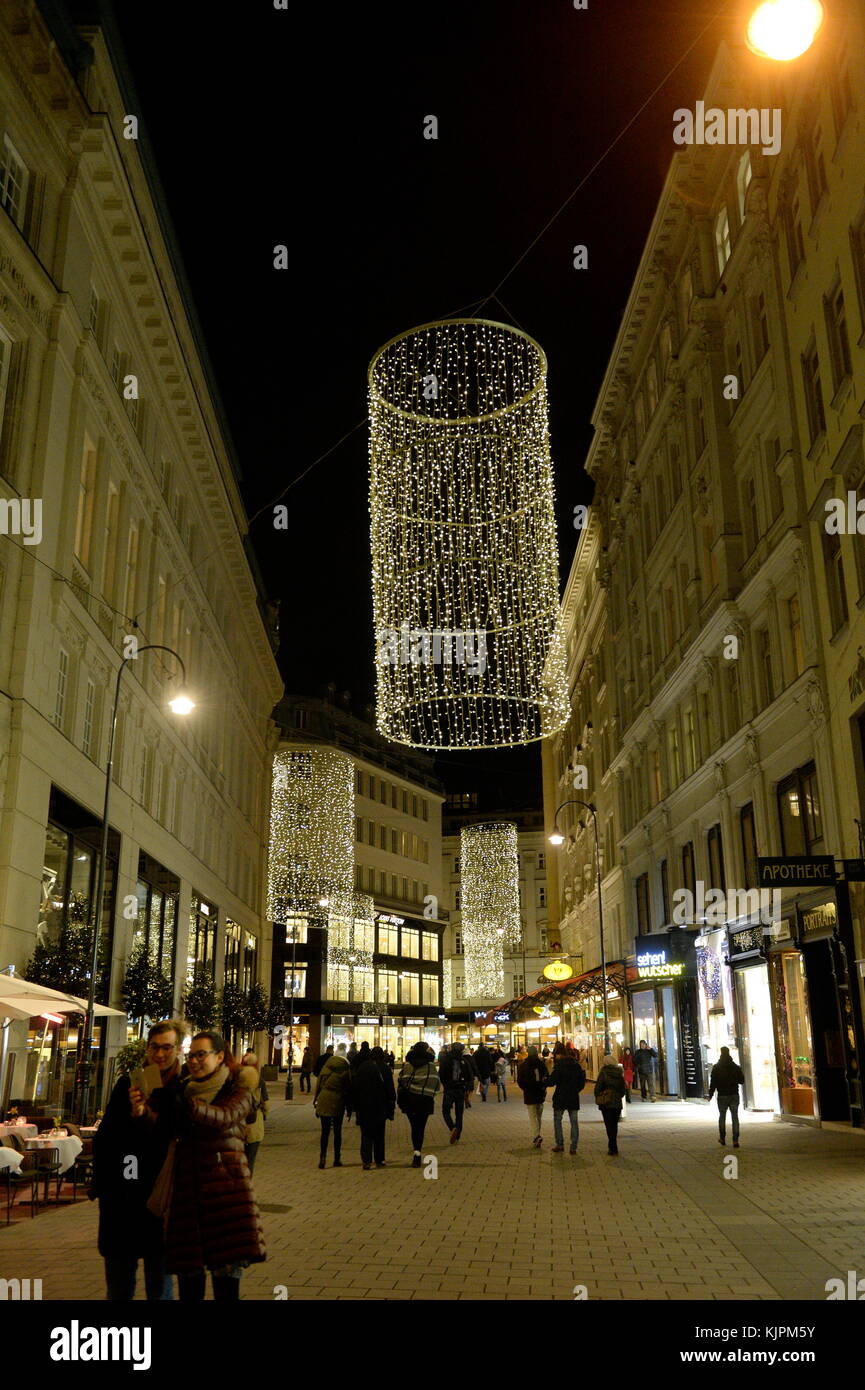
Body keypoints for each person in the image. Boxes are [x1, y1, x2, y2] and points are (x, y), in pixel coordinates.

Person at [143, 1029, 265, 1301]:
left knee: (226, 1289)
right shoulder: (183, 1089)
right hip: (188, 1201)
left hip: (227, 1203)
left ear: (220, 1056)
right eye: (191, 1055)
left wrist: (184, 1106)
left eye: (201, 1055)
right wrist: (146, 1111)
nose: (194, 1061)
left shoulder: (238, 1088)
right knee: (189, 1287)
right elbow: (164, 1131)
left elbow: (224, 1117)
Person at [91, 1018, 186, 1301]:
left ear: (177, 1049)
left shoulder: (183, 1087)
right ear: (147, 1048)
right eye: (154, 1048)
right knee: (119, 1286)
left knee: (160, 1285)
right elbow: (108, 1136)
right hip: (123, 1198)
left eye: (166, 1048)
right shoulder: (127, 1084)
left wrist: (145, 1116)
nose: (159, 1055)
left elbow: (177, 1133)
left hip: (162, 1197)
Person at [398, 1042, 441, 1166]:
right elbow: (436, 1082)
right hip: (425, 1101)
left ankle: (416, 1152)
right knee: (420, 1128)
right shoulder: (431, 1066)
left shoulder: (407, 1066)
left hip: (410, 1101)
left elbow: (402, 1081)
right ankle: (417, 1152)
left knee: (414, 1126)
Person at [353, 1045, 396, 1169]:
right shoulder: (385, 1068)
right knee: (379, 1133)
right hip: (380, 1105)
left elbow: (356, 1087)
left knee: (366, 1134)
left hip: (364, 1105)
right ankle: (379, 1159)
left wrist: (354, 1106)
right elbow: (390, 1088)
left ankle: (366, 1161)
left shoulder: (363, 1067)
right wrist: (392, 1102)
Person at [313, 1042, 353, 1167]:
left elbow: (318, 1085)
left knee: (325, 1132)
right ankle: (337, 1158)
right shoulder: (345, 1069)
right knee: (337, 1131)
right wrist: (349, 1107)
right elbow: (348, 1089)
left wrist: (316, 1101)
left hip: (324, 1099)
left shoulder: (326, 1068)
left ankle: (322, 1158)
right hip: (338, 1100)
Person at [545, 1047, 586, 1153]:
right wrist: (575, 1090)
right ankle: (573, 1147)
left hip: (560, 1097)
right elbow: (582, 1082)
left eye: (556, 1055)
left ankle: (560, 1144)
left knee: (557, 1120)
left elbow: (552, 1081)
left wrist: (544, 1081)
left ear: (559, 1054)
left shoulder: (559, 1066)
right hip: (573, 1097)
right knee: (574, 1122)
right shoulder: (576, 1065)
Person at [708, 1046, 745, 1148]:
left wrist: (710, 1095)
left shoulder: (716, 1067)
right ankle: (735, 1140)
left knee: (722, 1116)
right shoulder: (735, 1067)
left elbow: (713, 1083)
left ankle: (722, 1138)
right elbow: (742, 1081)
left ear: (721, 1053)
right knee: (735, 1117)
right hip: (734, 1094)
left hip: (722, 1095)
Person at [239, 1052, 268, 1174]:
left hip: (238, 1125)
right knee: (250, 1160)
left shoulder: (236, 1079)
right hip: (254, 1125)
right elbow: (266, 1103)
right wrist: (265, 1113)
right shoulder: (259, 1081)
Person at [439, 1042, 473, 1143]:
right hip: (460, 1090)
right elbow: (469, 1076)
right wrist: (467, 1088)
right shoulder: (464, 1061)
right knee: (459, 1113)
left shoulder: (446, 1060)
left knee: (445, 1111)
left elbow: (441, 1074)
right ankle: (457, 1135)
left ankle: (452, 1127)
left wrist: (445, 1085)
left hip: (449, 1089)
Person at [595, 1054, 627, 1156]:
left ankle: (612, 1146)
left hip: (606, 1103)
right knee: (614, 1125)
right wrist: (617, 1096)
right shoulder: (619, 1073)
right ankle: (614, 1146)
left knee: (609, 1125)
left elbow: (597, 1088)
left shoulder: (603, 1072)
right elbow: (623, 1090)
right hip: (617, 1103)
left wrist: (601, 1094)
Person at [517, 1045, 548, 1148]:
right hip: (540, 1093)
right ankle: (537, 1134)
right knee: (538, 1116)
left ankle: (536, 1135)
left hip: (529, 1094)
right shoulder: (541, 1064)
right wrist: (543, 1087)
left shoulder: (524, 1065)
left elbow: (520, 1080)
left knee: (532, 1116)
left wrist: (525, 1088)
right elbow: (546, 1077)